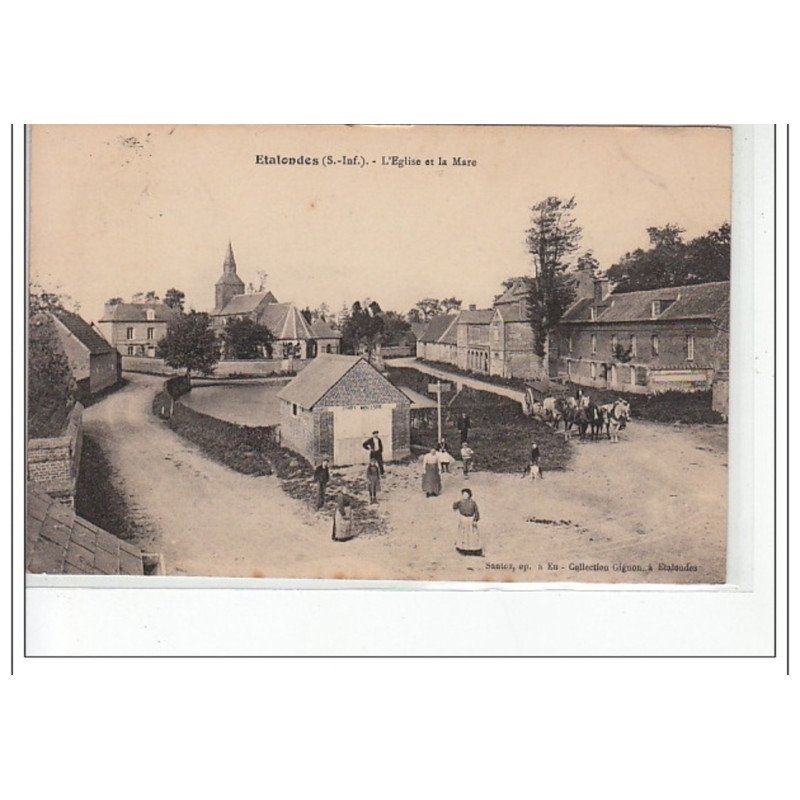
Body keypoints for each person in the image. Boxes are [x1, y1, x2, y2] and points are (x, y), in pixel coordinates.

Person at [453, 488, 482, 556]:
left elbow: (476, 512)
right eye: (463, 494)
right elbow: (454, 507)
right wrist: (456, 501)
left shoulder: (473, 503)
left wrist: (475, 520)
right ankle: (463, 549)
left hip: (471, 520)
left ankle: (474, 549)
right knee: (463, 535)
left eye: (466, 494)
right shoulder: (460, 502)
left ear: (469, 495)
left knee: (472, 535)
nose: (464, 496)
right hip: (463, 520)